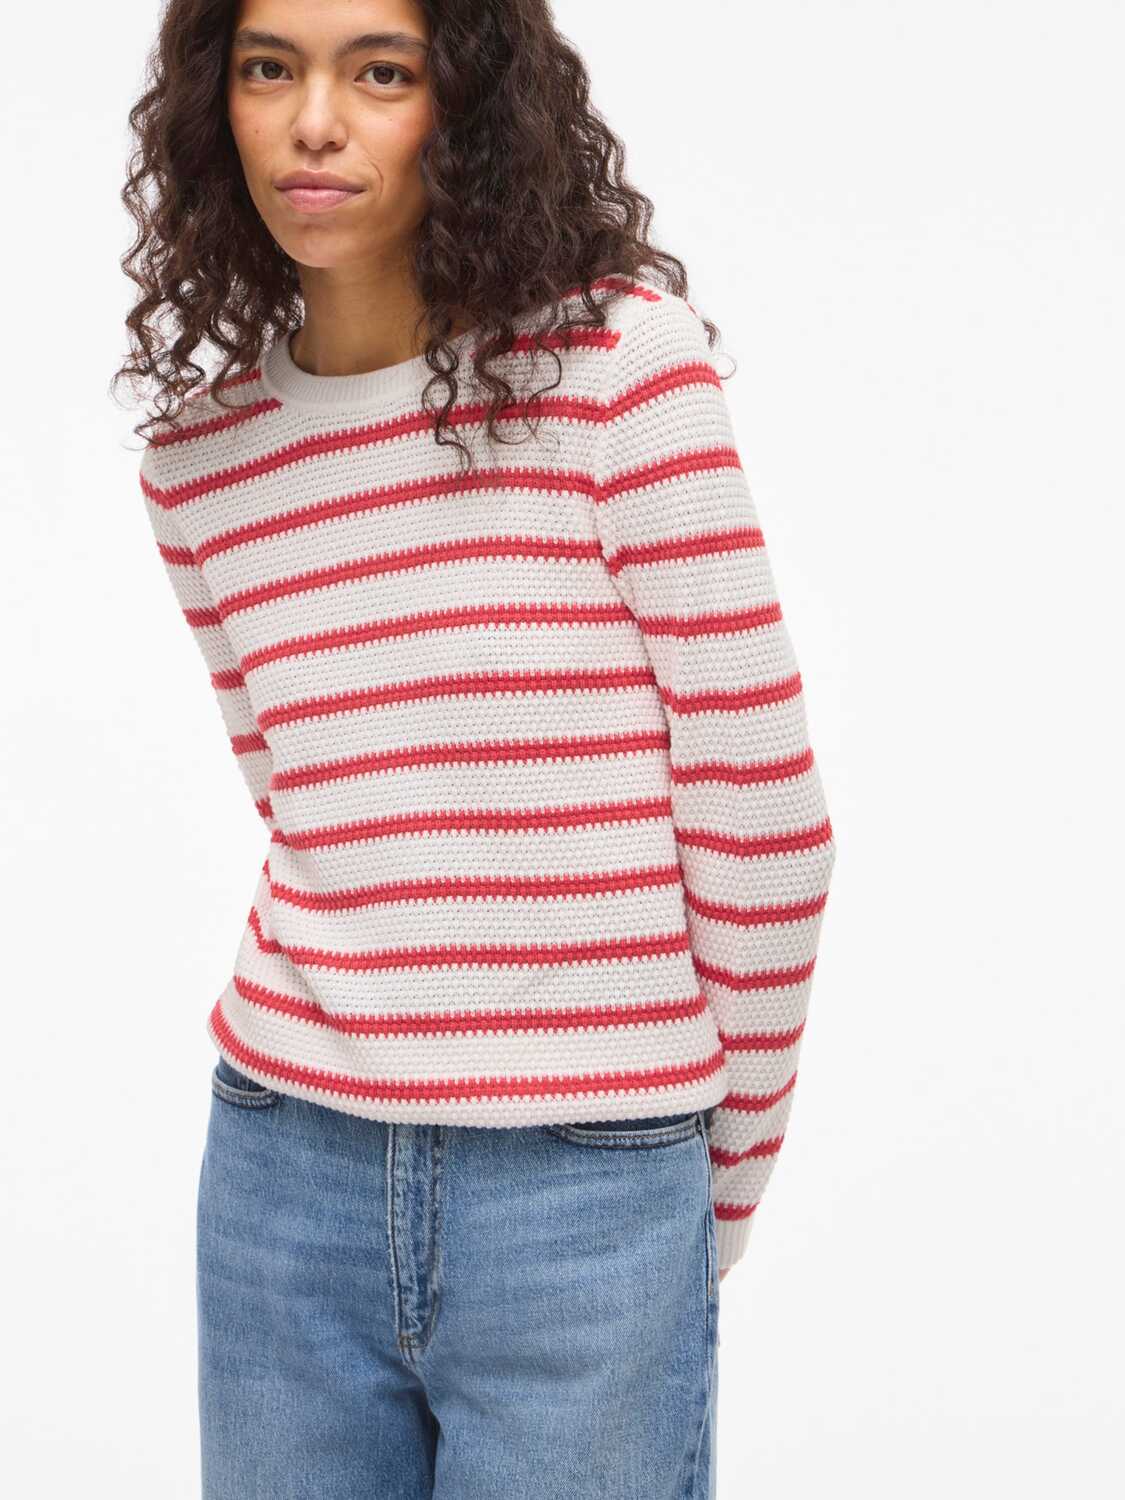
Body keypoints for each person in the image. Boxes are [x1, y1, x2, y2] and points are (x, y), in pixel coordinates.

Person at [117, 2, 837, 1495]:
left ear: (468, 104)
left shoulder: (618, 376)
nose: (316, 121)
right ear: (211, 106)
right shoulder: (202, 463)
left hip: (585, 1181)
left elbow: (764, 822)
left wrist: (717, 1173)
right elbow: (313, 805)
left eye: (381, 71)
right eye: (268, 68)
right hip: (281, 1174)